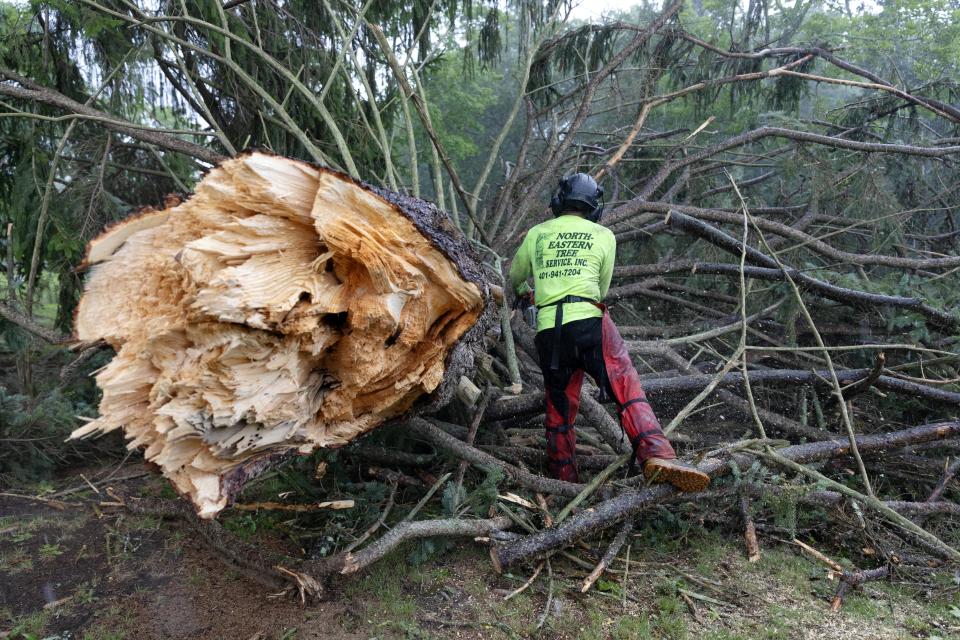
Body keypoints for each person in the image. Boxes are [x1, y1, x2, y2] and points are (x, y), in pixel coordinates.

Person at [508, 173, 710, 492]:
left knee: (559, 407)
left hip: (549, 333)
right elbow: (600, 289)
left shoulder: (537, 234)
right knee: (624, 384)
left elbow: (516, 275)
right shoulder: (603, 235)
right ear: (593, 206)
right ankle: (656, 453)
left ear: (559, 201)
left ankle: (564, 481)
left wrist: (526, 291)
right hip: (589, 323)